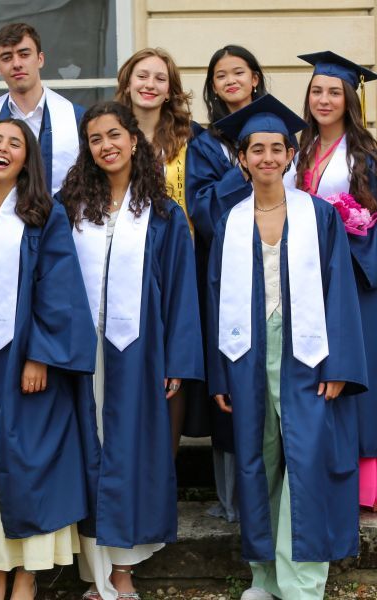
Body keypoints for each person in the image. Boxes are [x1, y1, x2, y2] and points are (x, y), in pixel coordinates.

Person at [206, 94, 368, 600]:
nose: (268, 158)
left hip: (307, 353)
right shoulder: (229, 220)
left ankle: (302, 581)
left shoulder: (317, 216)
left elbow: (340, 291)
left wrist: (338, 362)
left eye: (278, 148)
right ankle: (265, 576)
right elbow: (213, 295)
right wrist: (218, 374)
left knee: (305, 457)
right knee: (258, 459)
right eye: (257, 149)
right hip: (247, 354)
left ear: (290, 155)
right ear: (243, 158)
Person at [59, 102, 204, 600]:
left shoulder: (163, 214)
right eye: (96, 138)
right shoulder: (69, 208)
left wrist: (178, 361)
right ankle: (95, 573)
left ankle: (122, 573)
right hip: (81, 354)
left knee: (129, 455)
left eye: (114, 135)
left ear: (134, 141)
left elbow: (183, 293)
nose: (106, 145)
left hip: (139, 353)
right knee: (88, 451)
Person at [0, 118, 98, 600]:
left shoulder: (43, 215)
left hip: (25, 361)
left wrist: (40, 355)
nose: (3, 148)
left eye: (14, 143)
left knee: (29, 461)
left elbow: (58, 291)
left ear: (26, 158)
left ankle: (27, 574)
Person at [292, 51, 377, 512]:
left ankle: (370, 489)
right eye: (316, 91)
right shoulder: (297, 151)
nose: (324, 99)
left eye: (334, 92)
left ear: (349, 99)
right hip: (312, 285)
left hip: (362, 288)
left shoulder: (365, 157)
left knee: (364, 381)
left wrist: (350, 238)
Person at [186, 44, 270, 523]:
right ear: (213, 86)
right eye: (221, 75)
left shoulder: (283, 134)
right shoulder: (206, 142)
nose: (231, 80)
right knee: (234, 375)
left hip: (282, 266)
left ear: (255, 78)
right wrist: (241, 174)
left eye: (239, 71)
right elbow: (203, 211)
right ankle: (233, 498)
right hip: (232, 270)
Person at [114, 46, 207, 456]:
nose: (149, 85)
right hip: (122, 262)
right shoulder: (110, 130)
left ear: (170, 90)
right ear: (128, 83)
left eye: (159, 78)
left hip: (177, 262)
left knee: (175, 357)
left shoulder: (193, 139)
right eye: (142, 76)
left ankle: (163, 466)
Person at [0, 23, 84, 196]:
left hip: (61, 218)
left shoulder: (75, 117)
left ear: (40, 59)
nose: (17, 64)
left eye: (24, 54)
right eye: (7, 57)